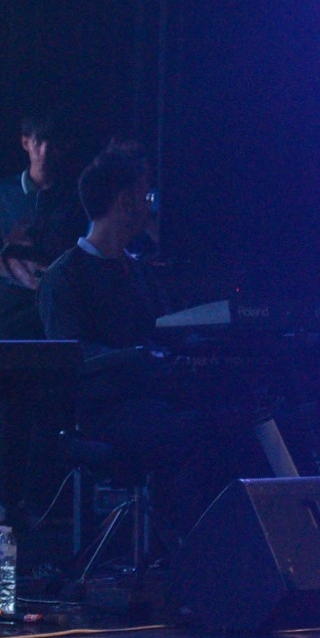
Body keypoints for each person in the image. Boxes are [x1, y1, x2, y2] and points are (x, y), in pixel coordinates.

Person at [39, 146, 235, 535]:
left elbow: (169, 333)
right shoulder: (66, 275)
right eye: (146, 197)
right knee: (194, 434)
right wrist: (140, 359)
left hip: (155, 399)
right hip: (107, 411)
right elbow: (71, 354)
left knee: (235, 420)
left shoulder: (141, 273)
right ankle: (188, 551)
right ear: (124, 201)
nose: (151, 208)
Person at [0, 115, 87, 339]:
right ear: (26, 143)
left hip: (57, 298)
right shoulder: (3, 191)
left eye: (52, 143)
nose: (45, 151)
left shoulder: (75, 195)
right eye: (39, 142)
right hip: (13, 300)